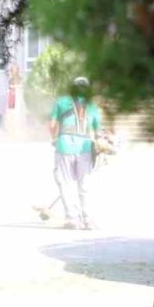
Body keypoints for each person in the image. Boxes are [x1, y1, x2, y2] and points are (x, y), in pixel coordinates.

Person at [49, 77, 107, 230]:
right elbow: (100, 131)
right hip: (85, 149)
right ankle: (87, 219)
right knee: (85, 185)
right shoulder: (93, 106)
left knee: (65, 183)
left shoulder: (61, 102)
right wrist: (102, 146)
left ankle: (72, 219)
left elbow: (52, 125)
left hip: (64, 147)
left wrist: (54, 139)